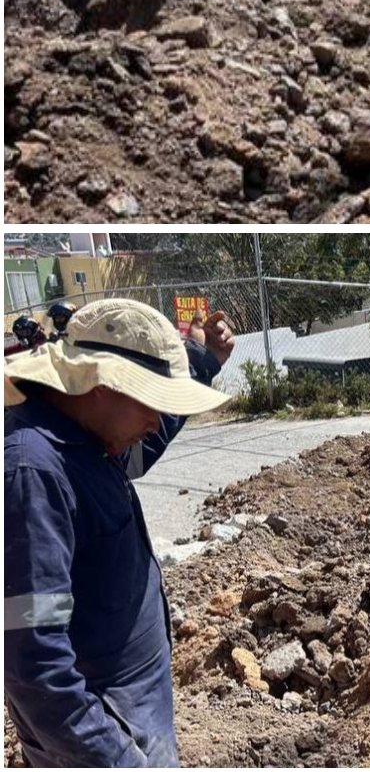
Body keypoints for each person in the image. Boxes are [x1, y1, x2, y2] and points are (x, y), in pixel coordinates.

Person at [4, 298, 235, 767]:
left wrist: (203, 363)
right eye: (151, 402)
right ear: (100, 385)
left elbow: (145, 438)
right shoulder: (34, 473)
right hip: (106, 738)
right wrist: (120, 759)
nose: (155, 422)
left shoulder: (88, 439)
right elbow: (35, 666)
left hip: (131, 718)